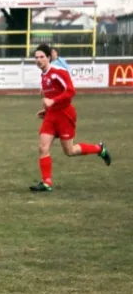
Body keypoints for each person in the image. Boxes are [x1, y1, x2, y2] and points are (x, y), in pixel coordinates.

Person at [30, 44, 110, 192]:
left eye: (41, 57)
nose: (38, 60)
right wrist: (47, 110)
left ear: (49, 57)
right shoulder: (44, 75)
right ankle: (47, 182)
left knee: (69, 151)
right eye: (36, 58)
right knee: (43, 147)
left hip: (65, 115)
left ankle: (100, 149)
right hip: (51, 116)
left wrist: (53, 102)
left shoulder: (57, 72)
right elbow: (52, 94)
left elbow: (71, 91)